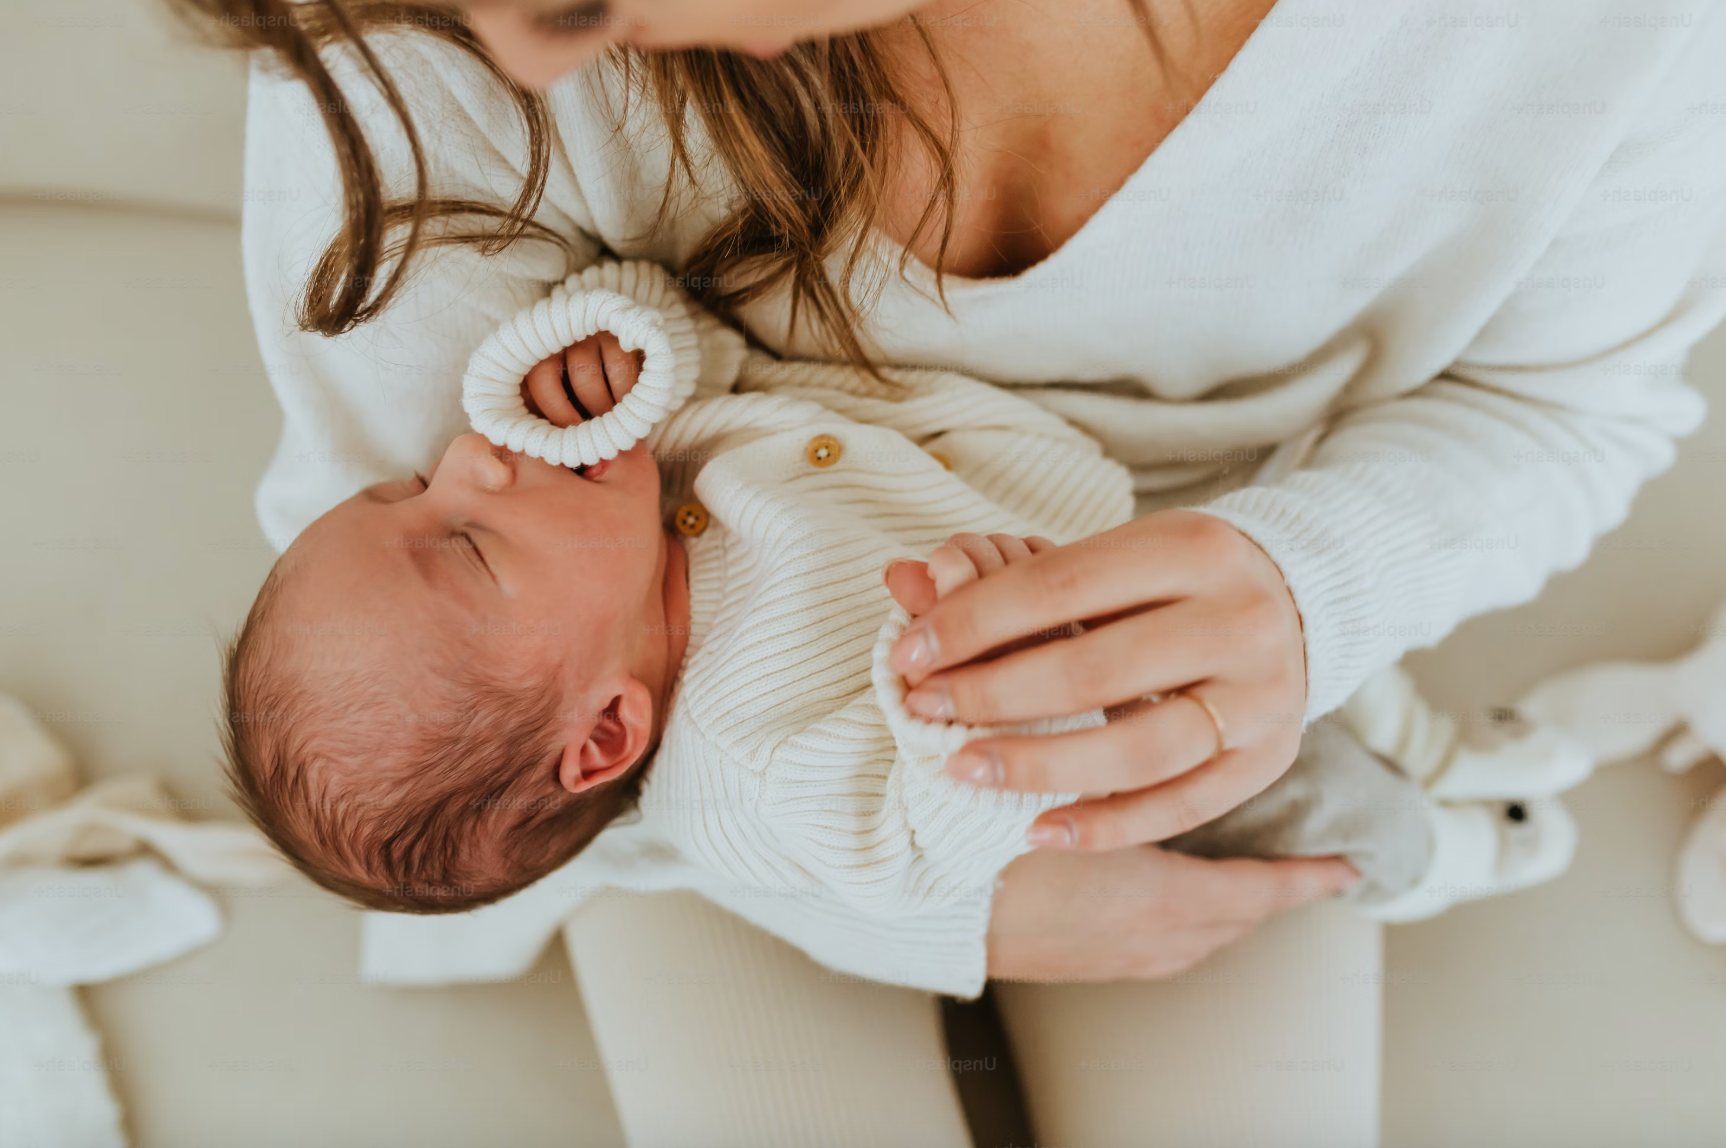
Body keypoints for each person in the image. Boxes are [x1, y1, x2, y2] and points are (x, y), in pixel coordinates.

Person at [175, 0, 1726, 1142]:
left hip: (1153, 657)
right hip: (646, 832)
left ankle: (1461, 834)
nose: (530, 60)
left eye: (581, 7)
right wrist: (922, 919)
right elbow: (417, 671)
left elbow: (1564, 406)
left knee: (1296, 889)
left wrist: (1308, 585)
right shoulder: (427, 32)